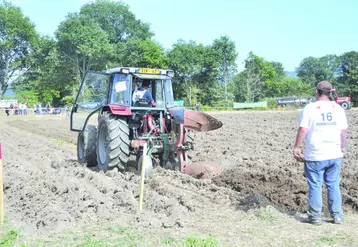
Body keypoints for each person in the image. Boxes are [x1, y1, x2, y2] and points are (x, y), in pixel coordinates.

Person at [293, 81, 348, 225]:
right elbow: (343, 130)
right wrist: (342, 147)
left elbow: (303, 129)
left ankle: (315, 216)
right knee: (333, 184)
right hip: (335, 153)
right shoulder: (338, 108)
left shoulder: (310, 108)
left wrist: (297, 147)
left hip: (316, 154)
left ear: (317, 91)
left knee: (315, 185)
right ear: (330, 93)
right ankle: (337, 216)